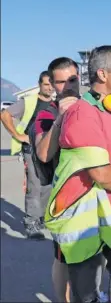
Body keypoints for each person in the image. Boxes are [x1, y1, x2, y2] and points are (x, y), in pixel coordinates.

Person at [43, 45, 111, 303]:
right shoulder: (82, 113)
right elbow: (101, 173)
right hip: (86, 216)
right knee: (86, 291)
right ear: (102, 74)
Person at [32, 57, 107, 302]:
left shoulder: (93, 106)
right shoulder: (47, 112)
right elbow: (44, 153)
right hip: (66, 197)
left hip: (95, 191)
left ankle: (90, 293)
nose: (68, 87)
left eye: (72, 80)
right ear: (52, 84)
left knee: (96, 252)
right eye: (61, 82)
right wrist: (60, 118)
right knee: (64, 256)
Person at [0, 71, 54, 239]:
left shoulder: (55, 104)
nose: (50, 87)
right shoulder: (29, 101)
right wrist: (18, 135)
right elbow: (5, 114)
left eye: (52, 84)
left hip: (50, 150)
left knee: (48, 185)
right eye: (46, 84)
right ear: (39, 84)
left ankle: (43, 218)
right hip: (31, 149)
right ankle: (31, 223)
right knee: (34, 185)